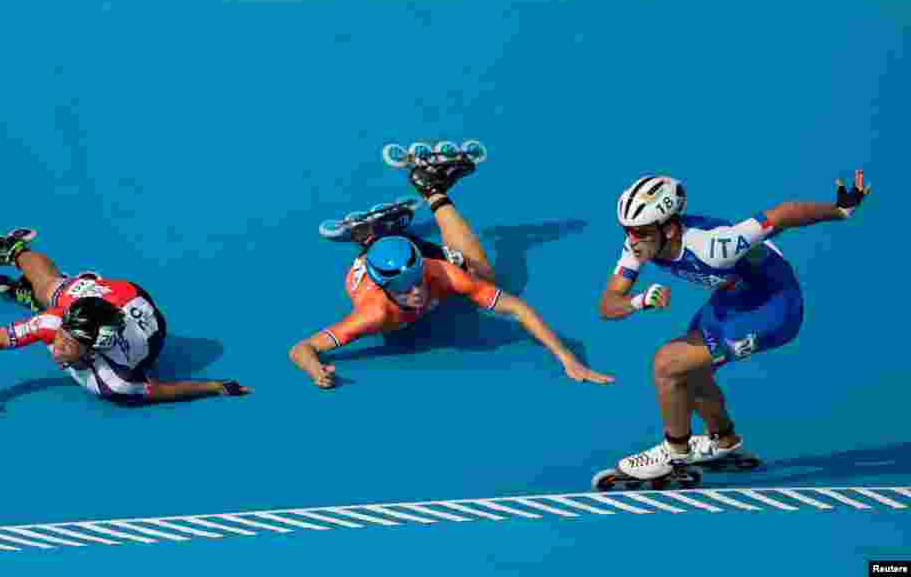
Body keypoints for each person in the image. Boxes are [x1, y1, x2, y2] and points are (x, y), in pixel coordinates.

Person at [598, 170, 871, 480]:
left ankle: (675, 453)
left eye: (642, 231)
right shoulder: (639, 243)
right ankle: (723, 442)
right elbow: (608, 304)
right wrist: (639, 300)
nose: (632, 239)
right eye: (628, 230)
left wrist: (840, 210)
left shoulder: (716, 245)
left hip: (773, 308)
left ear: (670, 229)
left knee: (667, 363)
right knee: (691, 370)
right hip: (731, 299)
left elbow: (781, 216)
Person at [290, 151, 614, 388]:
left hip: (410, 253)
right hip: (368, 266)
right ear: (386, 289)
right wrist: (315, 370)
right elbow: (302, 348)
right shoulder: (373, 314)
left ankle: (430, 189)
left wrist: (566, 357)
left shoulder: (437, 274)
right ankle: (368, 236)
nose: (417, 291)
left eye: (417, 281)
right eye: (405, 289)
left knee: (481, 275)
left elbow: (517, 309)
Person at [0, 230, 251, 411]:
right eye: (62, 336)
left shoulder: (116, 383)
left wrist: (215, 386)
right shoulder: (54, 323)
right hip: (113, 295)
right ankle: (13, 249)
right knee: (51, 289)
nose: (56, 346)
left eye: (68, 343)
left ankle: (26, 290)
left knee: (49, 298)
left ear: (92, 349)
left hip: (145, 318)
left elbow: (166, 390)